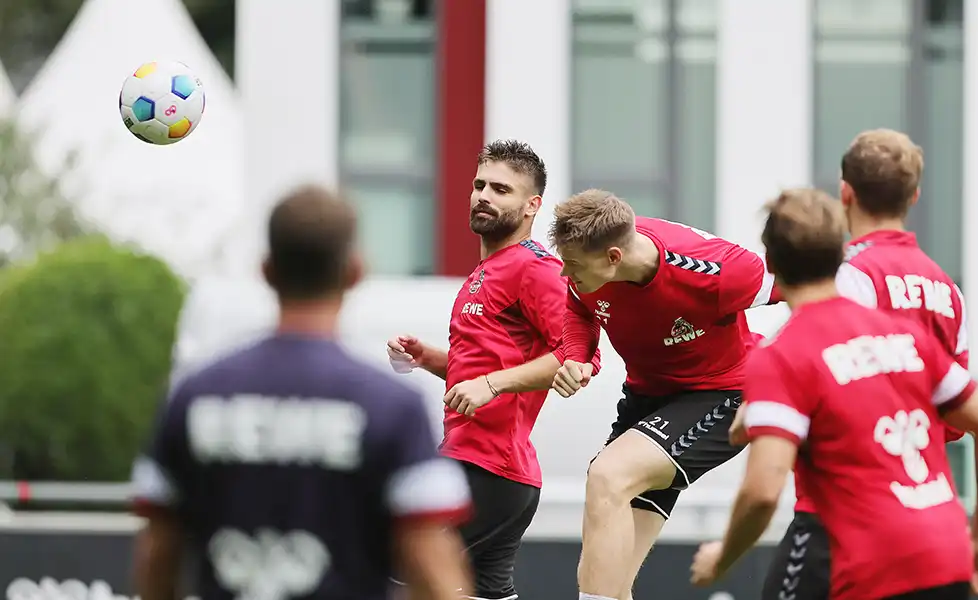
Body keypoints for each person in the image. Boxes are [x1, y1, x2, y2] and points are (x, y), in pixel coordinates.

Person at [129, 185, 472, 600]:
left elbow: (157, 556)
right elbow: (433, 574)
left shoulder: (194, 395)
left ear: (267, 271)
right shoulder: (392, 407)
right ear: (355, 272)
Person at [690, 188, 978, 600]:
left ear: (770, 264)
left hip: (869, 562)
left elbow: (761, 491)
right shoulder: (906, 335)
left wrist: (722, 558)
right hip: (945, 556)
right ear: (841, 254)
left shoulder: (782, 354)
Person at [732, 128, 974, 600]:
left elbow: (827, 373)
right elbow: (959, 420)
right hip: (929, 516)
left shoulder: (845, 278)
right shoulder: (948, 289)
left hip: (843, 515)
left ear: (845, 192)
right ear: (915, 196)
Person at [387, 139, 598, 600]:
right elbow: (491, 364)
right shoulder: (487, 270)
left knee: (398, 572)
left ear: (531, 205)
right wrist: (428, 358)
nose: (484, 195)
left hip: (485, 467)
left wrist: (490, 383)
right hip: (500, 474)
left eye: (501, 189)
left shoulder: (535, 269)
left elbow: (578, 355)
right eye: (479, 184)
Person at [549, 189, 777, 600]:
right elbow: (579, 310)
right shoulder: (587, 269)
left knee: (607, 475)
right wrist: (577, 356)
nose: (565, 273)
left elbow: (809, 288)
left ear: (614, 257)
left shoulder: (718, 271)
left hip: (721, 393)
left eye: (574, 265)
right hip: (647, 400)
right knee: (606, 577)